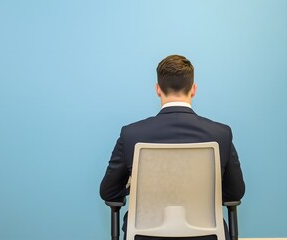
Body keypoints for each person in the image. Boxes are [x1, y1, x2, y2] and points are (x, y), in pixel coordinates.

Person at [100, 54, 245, 240]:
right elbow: (235, 192)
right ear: (193, 90)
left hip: (145, 236)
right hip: (206, 236)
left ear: (157, 89)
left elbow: (109, 192)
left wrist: (137, 186)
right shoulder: (220, 134)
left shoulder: (131, 134)